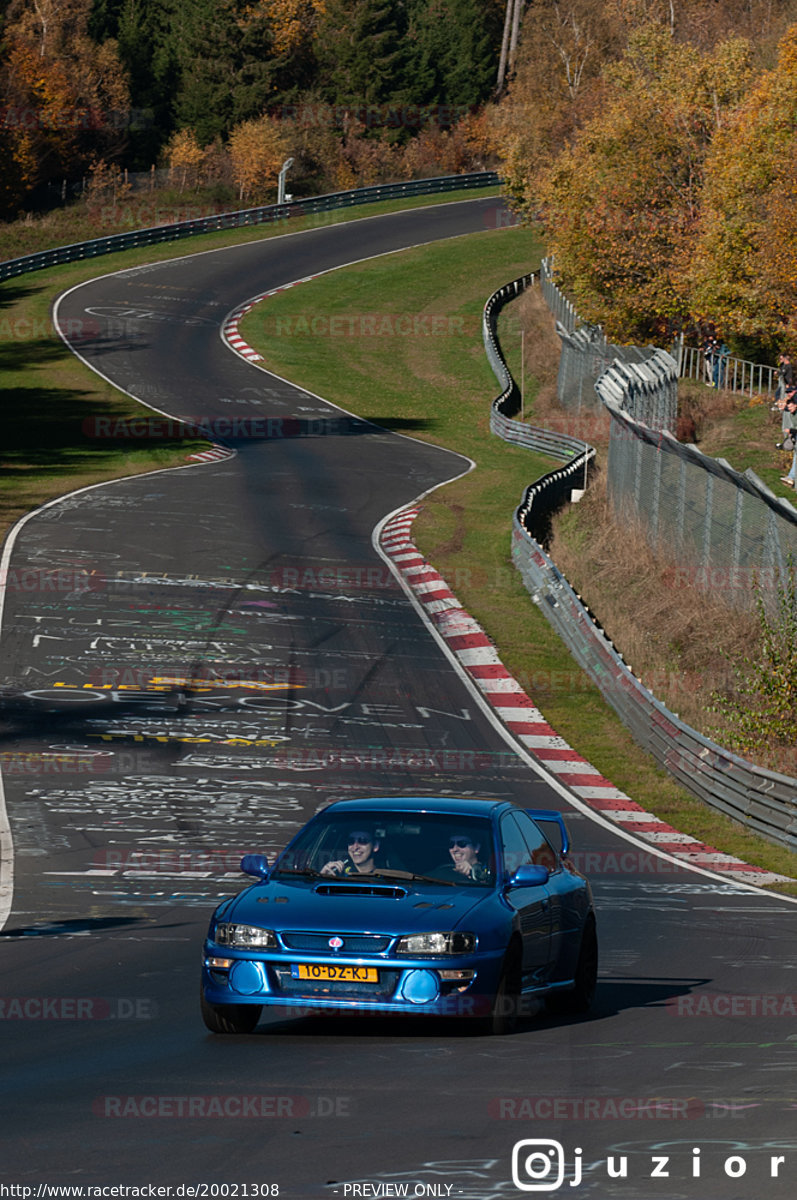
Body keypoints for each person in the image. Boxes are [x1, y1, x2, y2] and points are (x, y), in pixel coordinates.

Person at [778, 389, 797, 488]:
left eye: (790, 407)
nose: (789, 409)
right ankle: (791, 477)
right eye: (788, 408)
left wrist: (791, 431)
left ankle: (791, 477)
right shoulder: (793, 413)